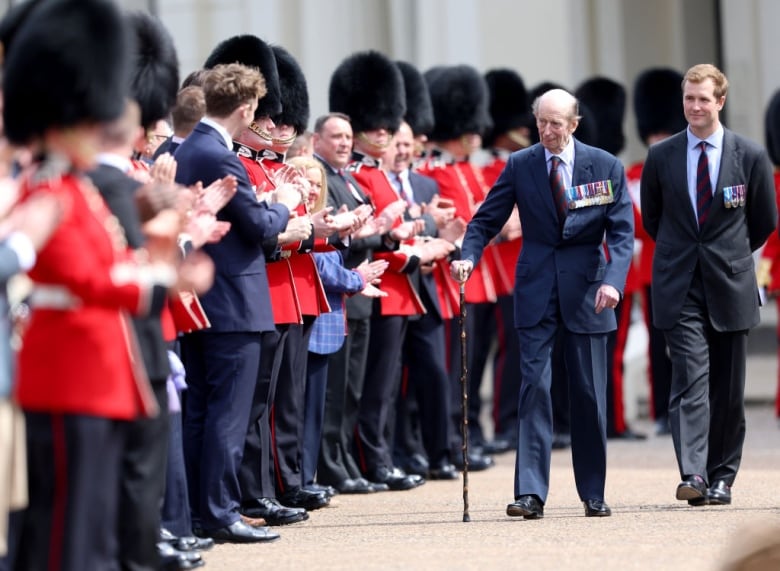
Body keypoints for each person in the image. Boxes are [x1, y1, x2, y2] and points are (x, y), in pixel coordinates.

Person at [451, 88, 634, 519]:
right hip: (535, 290)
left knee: (588, 395)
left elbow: (622, 234)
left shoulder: (604, 165)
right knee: (534, 390)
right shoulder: (521, 164)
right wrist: (468, 256)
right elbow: (485, 219)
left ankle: (593, 491)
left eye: (556, 123)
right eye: (541, 122)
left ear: (574, 124)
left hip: (589, 292)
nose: (547, 131)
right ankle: (530, 492)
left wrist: (613, 282)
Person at [640, 63, 777, 506]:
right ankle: (694, 473)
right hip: (680, 285)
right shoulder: (662, 157)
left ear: (720, 101)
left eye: (703, 99)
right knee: (690, 380)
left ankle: (723, 476)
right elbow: (654, 218)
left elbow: (763, 222)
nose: (694, 107)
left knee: (728, 388)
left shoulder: (750, 155)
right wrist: (688, 254)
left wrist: (729, 256)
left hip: (730, 284)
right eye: (688, 98)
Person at [174, 61, 299, 543]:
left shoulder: (191, 147)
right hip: (232, 301)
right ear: (246, 108)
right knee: (226, 415)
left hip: (203, 298)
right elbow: (261, 228)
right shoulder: (222, 156)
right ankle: (221, 512)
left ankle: (202, 512)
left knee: (203, 412)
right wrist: (284, 200)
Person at [627, 67, 685, 436]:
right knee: (657, 345)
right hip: (652, 270)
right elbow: (635, 223)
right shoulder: (634, 173)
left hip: (686, 267)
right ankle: (662, 410)